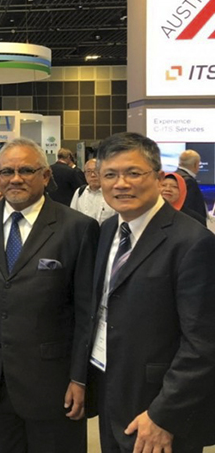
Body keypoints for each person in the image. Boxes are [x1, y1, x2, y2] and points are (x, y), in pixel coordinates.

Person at [0, 138, 99, 453]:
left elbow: (87, 313)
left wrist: (80, 378)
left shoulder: (78, 228)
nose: (16, 178)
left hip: (53, 385)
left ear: (46, 176)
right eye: (6, 172)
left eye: (26, 170)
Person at [88, 132, 215, 453]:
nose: (121, 184)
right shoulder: (108, 230)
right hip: (111, 389)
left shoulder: (192, 242)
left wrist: (163, 415)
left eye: (133, 173)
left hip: (160, 409)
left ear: (159, 178)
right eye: (110, 175)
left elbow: (202, 344)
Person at [70, 158, 117, 224]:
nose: (92, 175)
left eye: (96, 171)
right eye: (89, 171)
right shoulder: (80, 192)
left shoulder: (112, 193)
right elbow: (72, 216)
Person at [175, 149, 207, 223]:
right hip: (190, 224)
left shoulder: (174, 177)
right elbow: (189, 209)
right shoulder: (189, 181)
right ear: (195, 164)